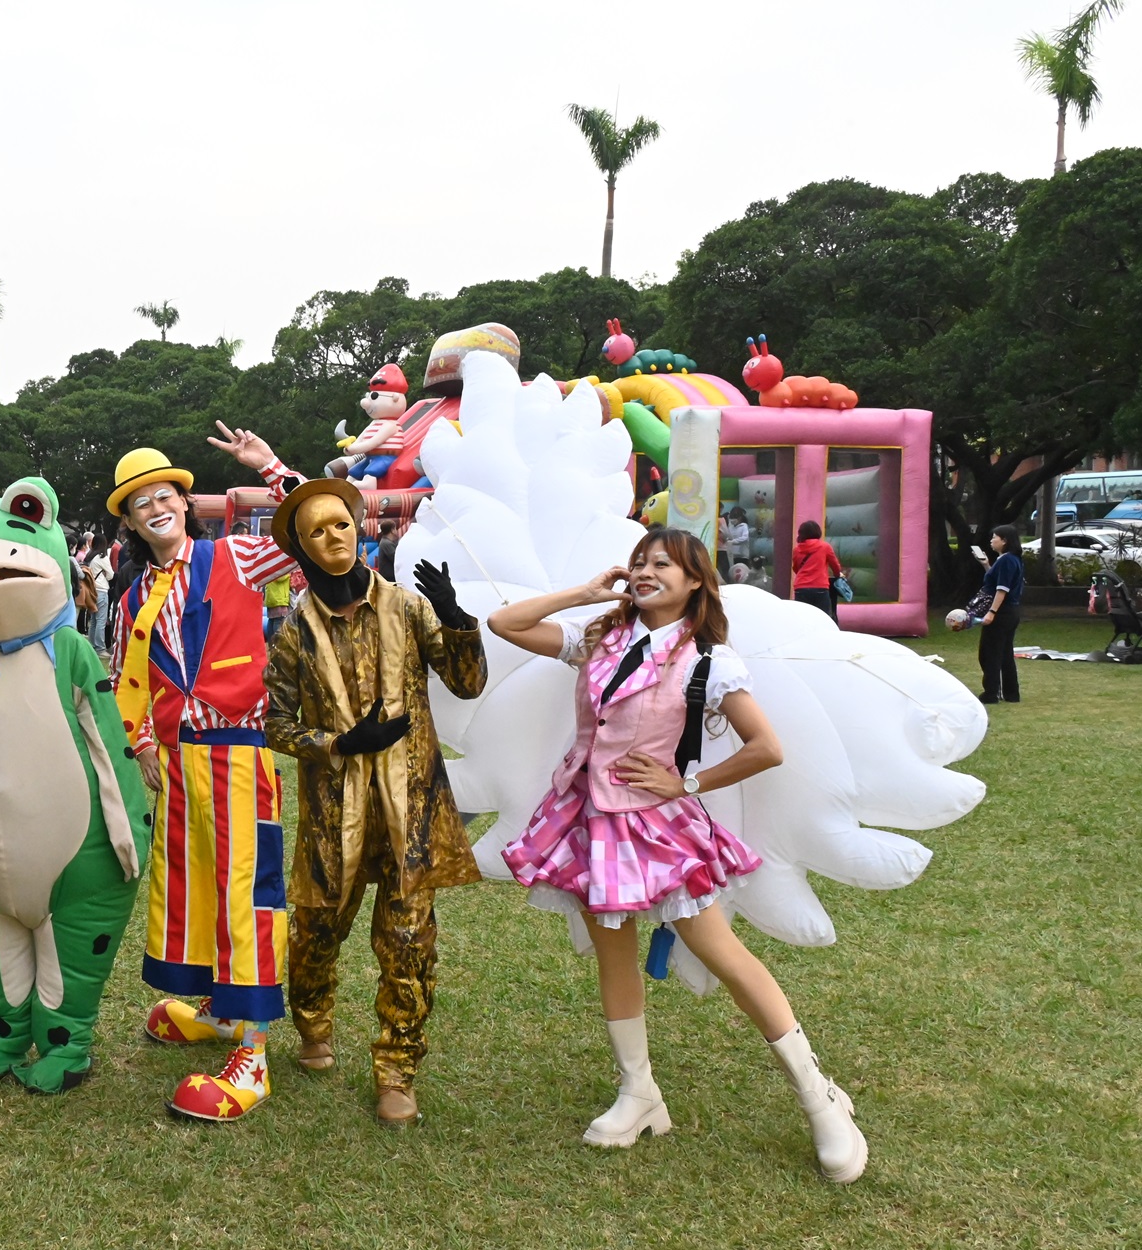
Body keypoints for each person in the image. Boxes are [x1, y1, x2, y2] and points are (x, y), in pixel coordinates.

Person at [487, 528, 867, 1183]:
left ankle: (818, 1094)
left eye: (662, 563)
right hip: (586, 819)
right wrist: (584, 593)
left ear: (694, 580)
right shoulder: (601, 638)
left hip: (657, 828)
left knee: (722, 952)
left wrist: (685, 784)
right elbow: (505, 623)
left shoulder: (707, 659)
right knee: (612, 953)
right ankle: (638, 1091)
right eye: (639, 561)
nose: (645, 570)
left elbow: (766, 747)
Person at [262, 478, 486, 1126]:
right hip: (333, 815)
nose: (333, 537)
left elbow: (467, 684)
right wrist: (338, 743)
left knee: (409, 944)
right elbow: (275, 724)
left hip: (409, 812)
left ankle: (396, 1070)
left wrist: (455, 618)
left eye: (340, 523)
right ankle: (313, 1026)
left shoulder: (409, 610)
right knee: (315, 933)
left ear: (357, 528)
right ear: (301, 548)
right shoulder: (294, 633)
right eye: (316, 531)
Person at [110, 423, 305, 1121]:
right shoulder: (135, 596)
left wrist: (270, 465)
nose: (155, 508)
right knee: (192, 888)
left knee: (246, 892)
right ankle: (221, 1013)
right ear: (131, 522)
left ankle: (253, 1056)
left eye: (164, 495)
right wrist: (141, 744)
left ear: (184, 503)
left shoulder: (237, 556)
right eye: (141, 504)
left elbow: (310, 530)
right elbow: (127, 677)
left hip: (236, 752)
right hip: (176, 763)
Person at [964, 524, 1025, 705]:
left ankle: (991, 693)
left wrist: (991, 612)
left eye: (994, 537)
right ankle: (1011, 694)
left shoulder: (1006, 560)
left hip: (1002, 612)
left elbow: (1002, 589)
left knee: (989, 653)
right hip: (1011, 611)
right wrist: (986, 565)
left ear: (1004, 541)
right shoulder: (1012, 559)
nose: (991, 541)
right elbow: (996, 580)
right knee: (1005, 653)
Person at [790, 520, 843, 620]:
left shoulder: (797, 550)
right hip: (820, 587)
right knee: (822, 618)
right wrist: (837, 575)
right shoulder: (825, 547)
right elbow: (835, 566)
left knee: (802, 618)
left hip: (801, 588)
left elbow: (796, 568)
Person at [84, 533, 115, 652]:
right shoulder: (102, 558)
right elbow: (111, 575)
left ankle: (92, 644)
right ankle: (100, 647)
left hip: (91, 590)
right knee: (101, 620)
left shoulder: (90, 556)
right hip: (101, 590)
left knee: (93, 620)